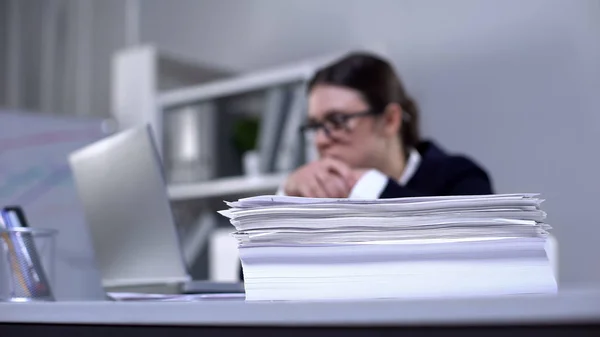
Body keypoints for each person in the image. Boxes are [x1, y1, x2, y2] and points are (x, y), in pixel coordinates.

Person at [283, 52, 493, 199]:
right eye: (315, 126)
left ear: (390, 120)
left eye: (338, 121)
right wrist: (287, 197)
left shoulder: (461, 178)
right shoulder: (317, 190)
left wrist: (366, 186)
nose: (320, 140)